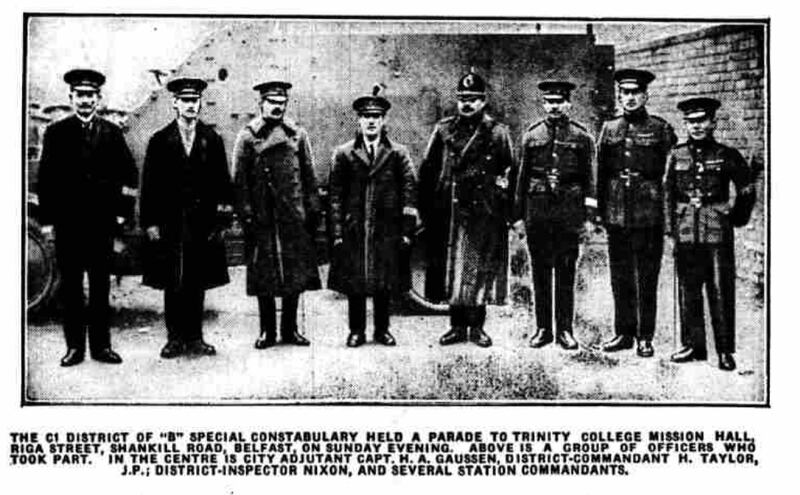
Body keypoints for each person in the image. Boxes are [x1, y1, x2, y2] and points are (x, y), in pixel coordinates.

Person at [36, 68, 138, 367]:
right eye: (79, 95)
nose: (85, 101)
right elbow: (46, 181)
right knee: (71, 290)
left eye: (90, 95)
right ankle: (74, 349)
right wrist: (48, 221)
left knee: (100, 289)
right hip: (69, 227)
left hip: (101, 227)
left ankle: (102, 348)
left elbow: (129, 177)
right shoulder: (56, 133)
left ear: (99, 98)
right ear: (71, 98)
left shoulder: (111, 132)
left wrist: (121, 217)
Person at [419, 68, 514, 347]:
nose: (467, 103)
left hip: (483, 212)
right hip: (450, 211)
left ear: (483, 101)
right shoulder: (444, 130)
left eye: (473, 98)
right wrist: (426, 209)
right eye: (462, 98)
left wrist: (500, 205)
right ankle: (456, 326)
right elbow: (428, 169)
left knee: (480, 269)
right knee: (453, 270)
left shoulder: (497, 133)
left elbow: (508, 171)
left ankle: (477, 328)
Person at [140, 77, 233, 358]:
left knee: (197, 282)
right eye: (186, 101)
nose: (191, 106)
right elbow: (150, 185)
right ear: (175, 104)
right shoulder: (159, 140)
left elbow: (222, 183)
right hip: (171, 224)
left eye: (195, 101)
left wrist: (222, 221)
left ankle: (195, 338)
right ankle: (174, 339)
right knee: (173, 283)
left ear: (200, 104)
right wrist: (150, 223)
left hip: (201, 224)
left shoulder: (212, 139)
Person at [664, 97, 755, 371]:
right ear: (685, 124)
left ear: (712, 122)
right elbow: (667, 193)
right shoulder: (676, 155)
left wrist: (736, 217)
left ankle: (725, 351)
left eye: (702, 120)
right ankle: (694, 346)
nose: (697, 126)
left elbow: (746, 188)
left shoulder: (727, 154)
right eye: (691, 121)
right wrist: (671, 228)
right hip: (687, 231)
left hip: (716, 233)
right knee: (688, 290)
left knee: (720, 291)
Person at [232, 80, 321, 349]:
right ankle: (267, 332)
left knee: (294, 274)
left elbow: (308, 175)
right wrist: (246, 214)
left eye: (281, 103)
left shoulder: (297, 135)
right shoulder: (248, 136)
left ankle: (291, 329)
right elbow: (239, 181)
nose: (277, 107)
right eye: (272, 102)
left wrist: (311, 211)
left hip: (292, 215)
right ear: (261, 104)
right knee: (265, 276)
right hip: (263, 217)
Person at [328, 84, 417, 347]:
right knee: (355, 282)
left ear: (383, 121)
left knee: (384, 281)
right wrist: (336, 233)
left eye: (376, 117)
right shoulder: (343, 154)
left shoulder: (398, 154)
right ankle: (356, 330)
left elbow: (410, 193)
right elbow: (335, 197)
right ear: (359, 120)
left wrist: (406, 231)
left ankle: (382, 330)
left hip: (385, 230)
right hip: (355, 229)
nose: (371, 122)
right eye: (366, 117)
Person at [596, 69, 677, 357]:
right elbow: (601, 173)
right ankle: (623, 333)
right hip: (617, 213)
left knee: (646, 276)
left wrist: (669, 217)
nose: (630, 98)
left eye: (635, 93)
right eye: (625, 93)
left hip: (648, 213)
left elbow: (671, 176)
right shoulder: (609, 128)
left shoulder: (660, 129)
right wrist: (601, 213)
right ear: (619, 95)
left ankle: (645, 336)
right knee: (620, 276)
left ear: (646, 95)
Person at [513, 80, 595, 350]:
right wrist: (518, 216)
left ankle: (565, 330)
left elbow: (589, 180)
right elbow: (521, 180)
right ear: (543, 104)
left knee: (566, 273)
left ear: (568, 104)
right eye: (549, 101)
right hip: (538, 213)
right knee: (540, 272)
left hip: (568, 215)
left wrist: (589, 218)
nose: (554, 106)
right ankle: (543, 329)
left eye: (559, 101)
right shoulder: (531, 136)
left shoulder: (581, 137)